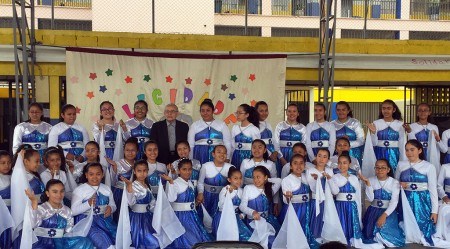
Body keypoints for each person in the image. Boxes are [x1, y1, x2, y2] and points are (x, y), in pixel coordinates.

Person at [395, 140, 442, 246]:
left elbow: (433, 189)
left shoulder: (428, 166)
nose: (409, 153)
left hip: (422, 200)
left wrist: (435, 211)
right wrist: (399, 184)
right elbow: (395, 183)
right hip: (405, 199)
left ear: (420, 150)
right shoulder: (401, 165)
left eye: (412, 150)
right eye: (407, 150)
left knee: (422, 225)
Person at [24, 179, 94, 249]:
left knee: (84, 242)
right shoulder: (42, 209)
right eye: (55, 192)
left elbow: (68, 231)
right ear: (47, 193)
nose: (59, 195)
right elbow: (33, 225)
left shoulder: (67, 211)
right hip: (43, 243)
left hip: (61, 242)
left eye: (62, 191)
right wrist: (34, 202)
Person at [162, 158, 213, 248]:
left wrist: (195, 203)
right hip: (181, 217)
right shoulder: (176, 183)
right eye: (184, 169)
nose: (187, 172)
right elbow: (171, 198)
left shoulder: (189, 183)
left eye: (189, 169)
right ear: (179, 170)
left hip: (192, 216)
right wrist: (171, 182)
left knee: (201, 239)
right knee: (191, 241)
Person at [71, 163, 117, 249]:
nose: (95, 177)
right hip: (88, 223)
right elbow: (73, 211)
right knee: (105, 243)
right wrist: (88, 204)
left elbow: (113, 205)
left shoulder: (106, 189)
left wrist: (111, 208)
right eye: (91, 174)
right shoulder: (80, 190)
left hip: (105, 222)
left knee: (118, 239)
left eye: (98, 174)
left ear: (102, 175)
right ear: (86, 175)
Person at [361, 159, 405, 247]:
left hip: (388, 212)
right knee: (370, 235)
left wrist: (384, 215)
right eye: (377, 167)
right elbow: (370, 199)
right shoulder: (371, 180)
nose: (380, 170)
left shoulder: (394, 182)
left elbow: (394, 202)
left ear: (388, 170)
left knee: (387, 236)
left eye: (383, 168)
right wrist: (368, 185)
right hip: (373, 211)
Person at [280, 154, 319, 249]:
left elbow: (314, 190)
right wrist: (287, 196)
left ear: (305, 165)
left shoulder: (307, 177)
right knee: (295, 229)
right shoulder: (287, 180)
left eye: (301, 163)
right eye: (295, 163)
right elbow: (285, 199)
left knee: (306, 227)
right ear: (291, 166)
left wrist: (315, 180)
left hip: (307, 207)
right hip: (295, 209)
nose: (298, 166)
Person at [11, 147, 45, 249]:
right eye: (36, 161)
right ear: (26, 161)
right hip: (28, 215)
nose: (39, 164)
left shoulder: (32, 175)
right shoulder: (21, 177)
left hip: (38, 212)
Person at [239, 166, 281, 246]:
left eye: (258, 177)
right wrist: (253, 212)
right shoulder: (248, 188)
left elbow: (279, 181)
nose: (255, 180)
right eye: (254, 177)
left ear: (265, 177)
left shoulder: (270, 189)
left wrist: (267, 180)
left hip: (267, 221)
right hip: (252, 222)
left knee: (271, 241)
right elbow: (242, 206)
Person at [121, 160, 160, 249]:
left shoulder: (147, 185)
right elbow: (130, 202)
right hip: (137, 220)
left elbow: (152, 203)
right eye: (139, 171)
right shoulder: (133, 186)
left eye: (144, 170)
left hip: (147, 217)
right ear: (134, 172)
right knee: (152, 243)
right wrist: (129, 186)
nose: (142, 173)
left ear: (147, 171)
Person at [330, 153, 366, 247]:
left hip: (352, 206)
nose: (342, 165)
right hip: (340, 206)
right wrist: (330, 180)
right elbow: (334, 192)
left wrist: (359, 209)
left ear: (349, 164)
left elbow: (357, 196)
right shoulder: (335, 177)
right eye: (340, 163)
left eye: (345, 163)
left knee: (352, 223)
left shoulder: (354, 178)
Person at [211, 167, 252, 241]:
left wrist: (243, 214)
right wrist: (228, 194)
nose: (239, 181)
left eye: (240, 178)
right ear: (229, 180)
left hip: (235, 217)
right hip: (223, 217)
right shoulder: (225, 189)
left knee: (245, 237)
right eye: (236, 178)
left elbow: (245, 205)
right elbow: (220, 205)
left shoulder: (242, 191)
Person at [105, 137, 138, 223]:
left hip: (133, 193)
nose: (130, 153)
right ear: (123, 151)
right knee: (120, 218)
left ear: (137, 151)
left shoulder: (138, 164)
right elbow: (112, 182)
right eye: (127, 150)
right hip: (120, 193)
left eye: (133, 150)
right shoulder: (118, 163)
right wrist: (114, 169)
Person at [188, 99, 232, 164]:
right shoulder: (195, 125)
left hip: (217, 155)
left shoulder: (221, 124)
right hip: (199, 154)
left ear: (213, 111)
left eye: (208, 110)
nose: (205, 113)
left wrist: (227, 157)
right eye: (203, 111)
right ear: (200, 112)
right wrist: (190, 159)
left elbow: (227, 143)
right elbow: (191, 144)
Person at [367, 99, 405, 173]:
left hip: (395, 152)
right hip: (379, 152)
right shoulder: (376, 123)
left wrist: (402, 156)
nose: (386, 111)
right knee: (380, 171)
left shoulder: (399, 124)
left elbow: (402, 142)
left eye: (389, 108)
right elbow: (373, 143)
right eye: (383, 108)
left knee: (394, 170)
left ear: (394, 110)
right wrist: (373, 133)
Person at [197, 145, 234, 217]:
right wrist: (200, 193)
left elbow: (234, 184)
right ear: (213, 154)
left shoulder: (230, 167)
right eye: (219, 152)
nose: (222, 155)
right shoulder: (205, 166)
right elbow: (200, 182)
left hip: (223, 197)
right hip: (208, 197)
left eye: (224, 153)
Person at [305, 148, 333, 240]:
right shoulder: (310, 171)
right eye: (319, 156)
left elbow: (332, 187)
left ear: (328, 160)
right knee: (316, 221)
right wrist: (319, 180)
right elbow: (313, 188)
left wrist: (327, 179)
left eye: (325, 157)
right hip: (315, 200)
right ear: (315, 157)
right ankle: (315, 239)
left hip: (327, 201)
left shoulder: (330, 171)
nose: (321, 159)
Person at [13, 103, 52, 167]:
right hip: (27, 158)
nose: (34, 114)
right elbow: (16, 146)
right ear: (28, 112)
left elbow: (51, 145)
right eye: (32, 112)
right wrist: (19, 160)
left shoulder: (48, 127)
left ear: (41, 112)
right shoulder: (20, 127)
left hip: (44, 159)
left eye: (37, 112)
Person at [273, 103, 306, 169]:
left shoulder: (302, 127)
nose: (292, 113)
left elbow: (304, 144)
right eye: (289, 111)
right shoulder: (280, 125)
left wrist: (299, 157)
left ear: (298, 113)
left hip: (296, 154)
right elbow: (276, 142)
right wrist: (281, 157)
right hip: (281, 154)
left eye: (294, 111)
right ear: (286, 113)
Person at [331, 101, 364, 165]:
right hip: (338, 154)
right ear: (336, 111)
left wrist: (346, 145)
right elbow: (331, 141)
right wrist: (339, 142)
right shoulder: (332, 124)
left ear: (348, 111)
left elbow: (361, 140)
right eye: (338, 110)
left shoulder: (355, 122)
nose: (341, 112)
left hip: (354, 153)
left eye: (343, 110)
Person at [230, 104, 261, 169]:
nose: (237, 115)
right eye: (237, 113)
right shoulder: (235, 128)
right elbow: (232, 146)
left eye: (240, 113)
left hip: (248, 157)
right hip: (236, 156)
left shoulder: (254, 129)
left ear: (247, 115)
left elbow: (258, 146)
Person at [255, 101, 278, 169]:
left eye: (266, 110)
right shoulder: (254, 126)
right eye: (261, 111)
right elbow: (257, 143)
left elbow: (274, 139)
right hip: (263, 154)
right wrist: (270, 154)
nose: (264, 113)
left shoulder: (268, 124)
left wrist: (276, 151)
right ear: (256, 112)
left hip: (273, 154)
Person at [0, 150, 12, 249]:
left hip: (12, 211)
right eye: (3, 163)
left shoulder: (14, 177)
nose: (6, 165)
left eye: (9, 162)